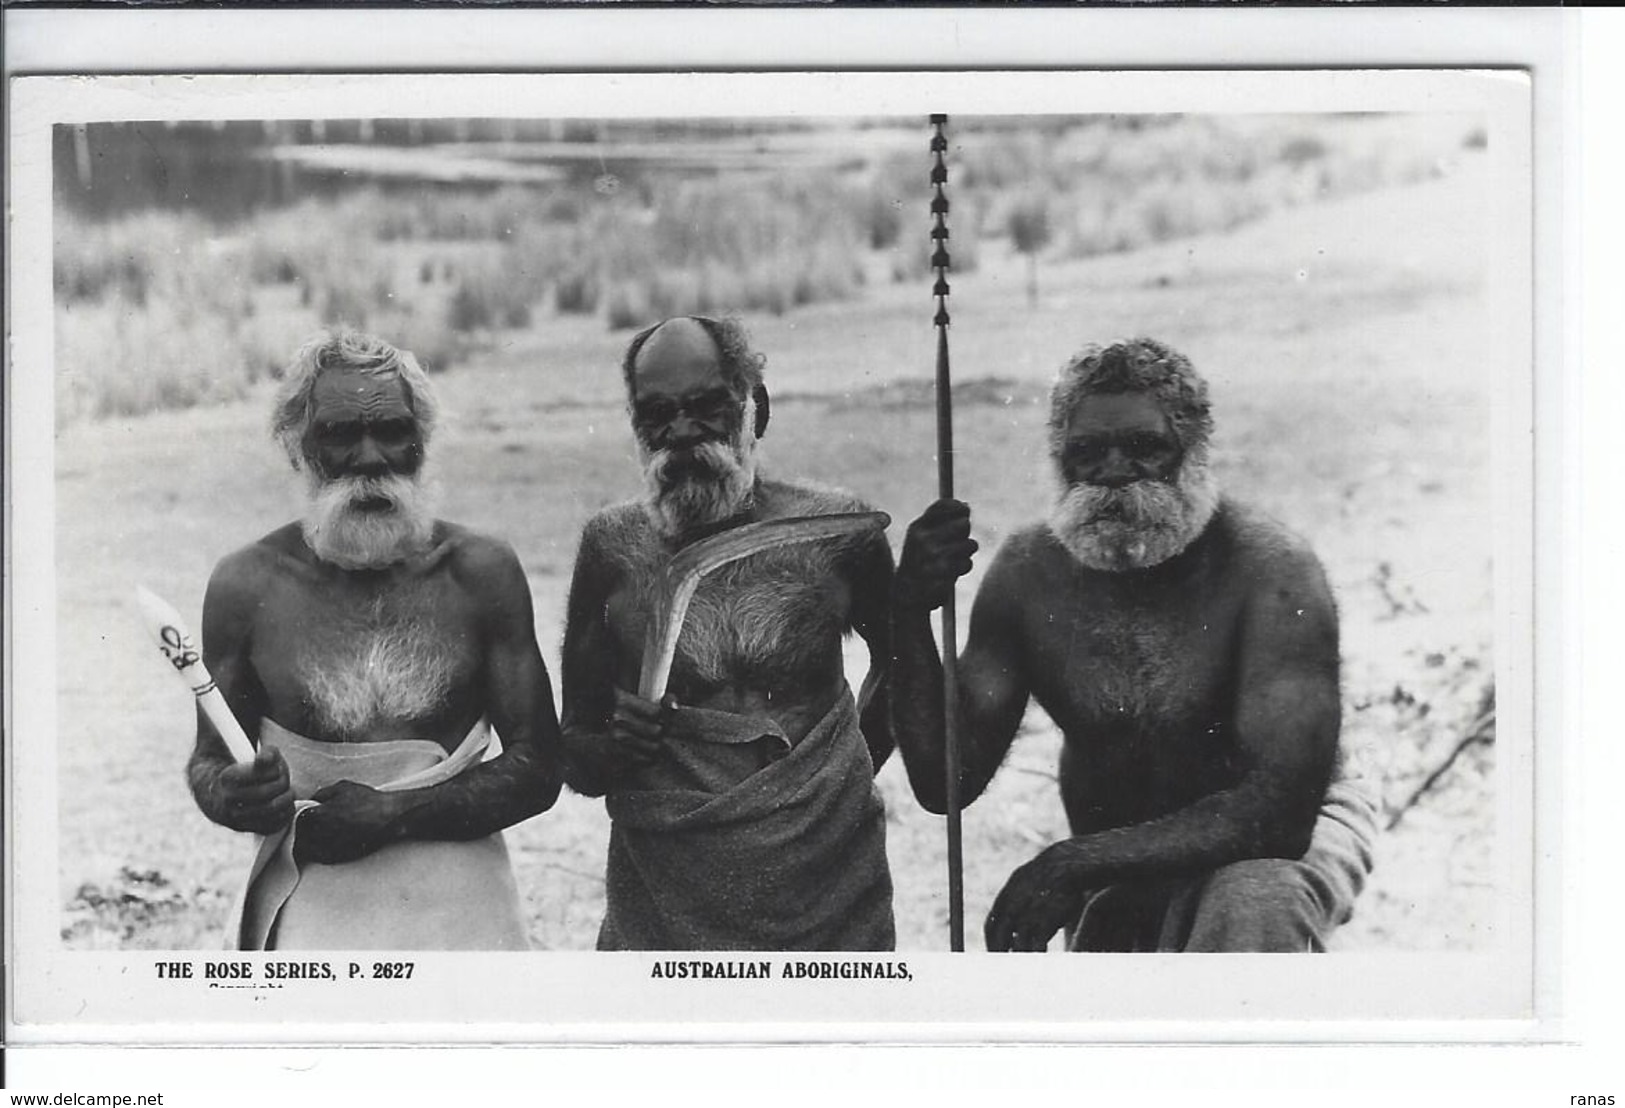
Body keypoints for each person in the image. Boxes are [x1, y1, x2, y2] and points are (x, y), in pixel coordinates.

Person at [893, 337, 1377, 953]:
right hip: (1122, 848)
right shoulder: (1026, 574)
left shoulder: (1271, 571)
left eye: (1146, 450)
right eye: (1088, 454)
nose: (1115, 473)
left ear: (1195, 454)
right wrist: (909, 607)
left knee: (1255, 900)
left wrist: (1075, 863)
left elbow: (1279, 814)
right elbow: (945, 781)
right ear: (1057, 460)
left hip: (1285, 829)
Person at [186, 329, 563, 950]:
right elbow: (210, 759)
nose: (370, 458)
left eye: (391, 431)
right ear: (295, 448)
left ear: (423, 440)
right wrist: (231, 795)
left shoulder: (480, 572)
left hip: (461, 907)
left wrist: (396, 815)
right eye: (337, 434)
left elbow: (539, 764)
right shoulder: (245, 584)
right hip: (310, 898)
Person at [560, 315, 897, 951]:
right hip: (665, 905)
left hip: (827, 892)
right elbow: (575, 746)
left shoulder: (838, 531)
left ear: (755, 410)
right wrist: (615, 749)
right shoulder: (611, 548)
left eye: (708, 408)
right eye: (656, 415)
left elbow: (903, 666)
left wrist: (840, 775)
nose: (682, 435)